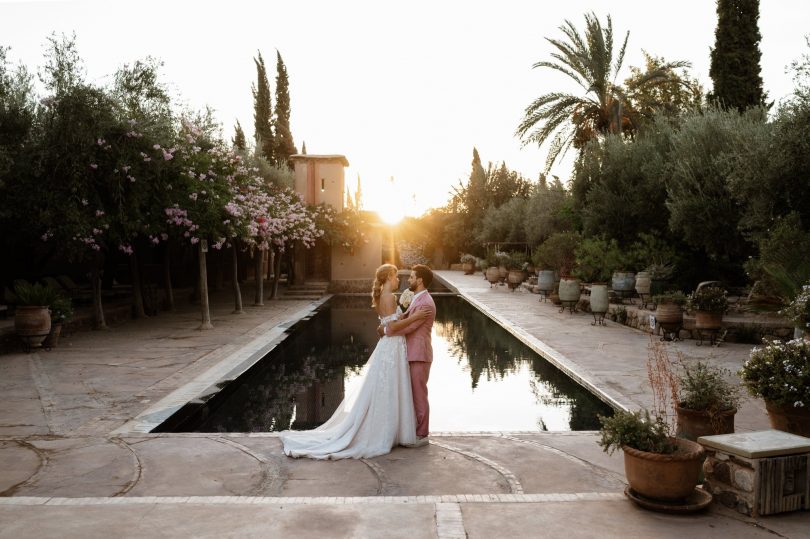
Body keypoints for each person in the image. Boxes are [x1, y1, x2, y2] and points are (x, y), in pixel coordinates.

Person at [279, 264, 427, 459]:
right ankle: (386, 432)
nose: (398, 280)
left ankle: (389, 429)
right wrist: (414, 317)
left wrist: (403, 314)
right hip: (392, 347)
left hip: (389, 347)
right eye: (396, 276)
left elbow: (385, 325)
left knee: (386, 387)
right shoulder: (389, 298)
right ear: (389, 277)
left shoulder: (382, 296)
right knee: (390, 387)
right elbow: (392, 326)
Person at [378, 264, 436, 446]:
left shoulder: (425, 302)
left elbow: (411, 327)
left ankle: (422, 434)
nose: (408, 280)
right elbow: (405, 320)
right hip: (411, 352)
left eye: (411, 277)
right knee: (412, 393)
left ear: (419, 280)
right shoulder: (417, 299)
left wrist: (386, 330)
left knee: (419, 394)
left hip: (419, 353)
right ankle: (412, 430)